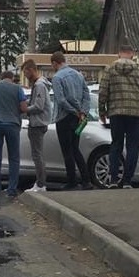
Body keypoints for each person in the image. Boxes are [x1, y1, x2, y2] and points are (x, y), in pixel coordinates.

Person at [98, 45, 139, 189]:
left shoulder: (110, 69)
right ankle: (127, 181)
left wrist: (102, 111)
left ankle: (114, 179)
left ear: (119, 54)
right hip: (135, 113)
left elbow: (103, 91)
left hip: (116, 112)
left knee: (116, 145)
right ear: (132, 54)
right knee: (133, 147)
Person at [49, 51, 93, 190]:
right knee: (75, 148)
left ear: (55, 63)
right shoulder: (79, 75)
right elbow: (87, 95)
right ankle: (86, 180)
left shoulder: (57, 78)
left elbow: (61, 100)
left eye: (53, 65)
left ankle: (72, 181)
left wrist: (74, 111)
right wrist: (83, 112)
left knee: (67, 151)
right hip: (77, 118)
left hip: (63, 117)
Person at [21, 59, 51, 192]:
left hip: (37, 123)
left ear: (31, 70)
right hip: (38, 122)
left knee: (37, 155)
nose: (25, 75)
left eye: (26, 72)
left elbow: (39, 106)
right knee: (37, 154)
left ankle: (40, 184)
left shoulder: (39, 85)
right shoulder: (39, 85)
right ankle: (40, 183)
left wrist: (25, 109)